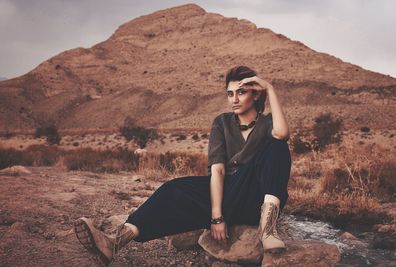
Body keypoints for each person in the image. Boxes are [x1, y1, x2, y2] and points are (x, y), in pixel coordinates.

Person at [74, 65, 291, 266]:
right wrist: (216, 217)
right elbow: (218, 169)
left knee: (278, 146)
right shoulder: (222, 123)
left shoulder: (268, 124)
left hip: (255, 198)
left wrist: (270, 88)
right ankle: (115, 242)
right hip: (227, 194)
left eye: (241, 92)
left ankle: (268, 230)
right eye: (230, 93)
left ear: (255, 94)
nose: (234, 99)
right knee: (173, 189)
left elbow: (282, 134)